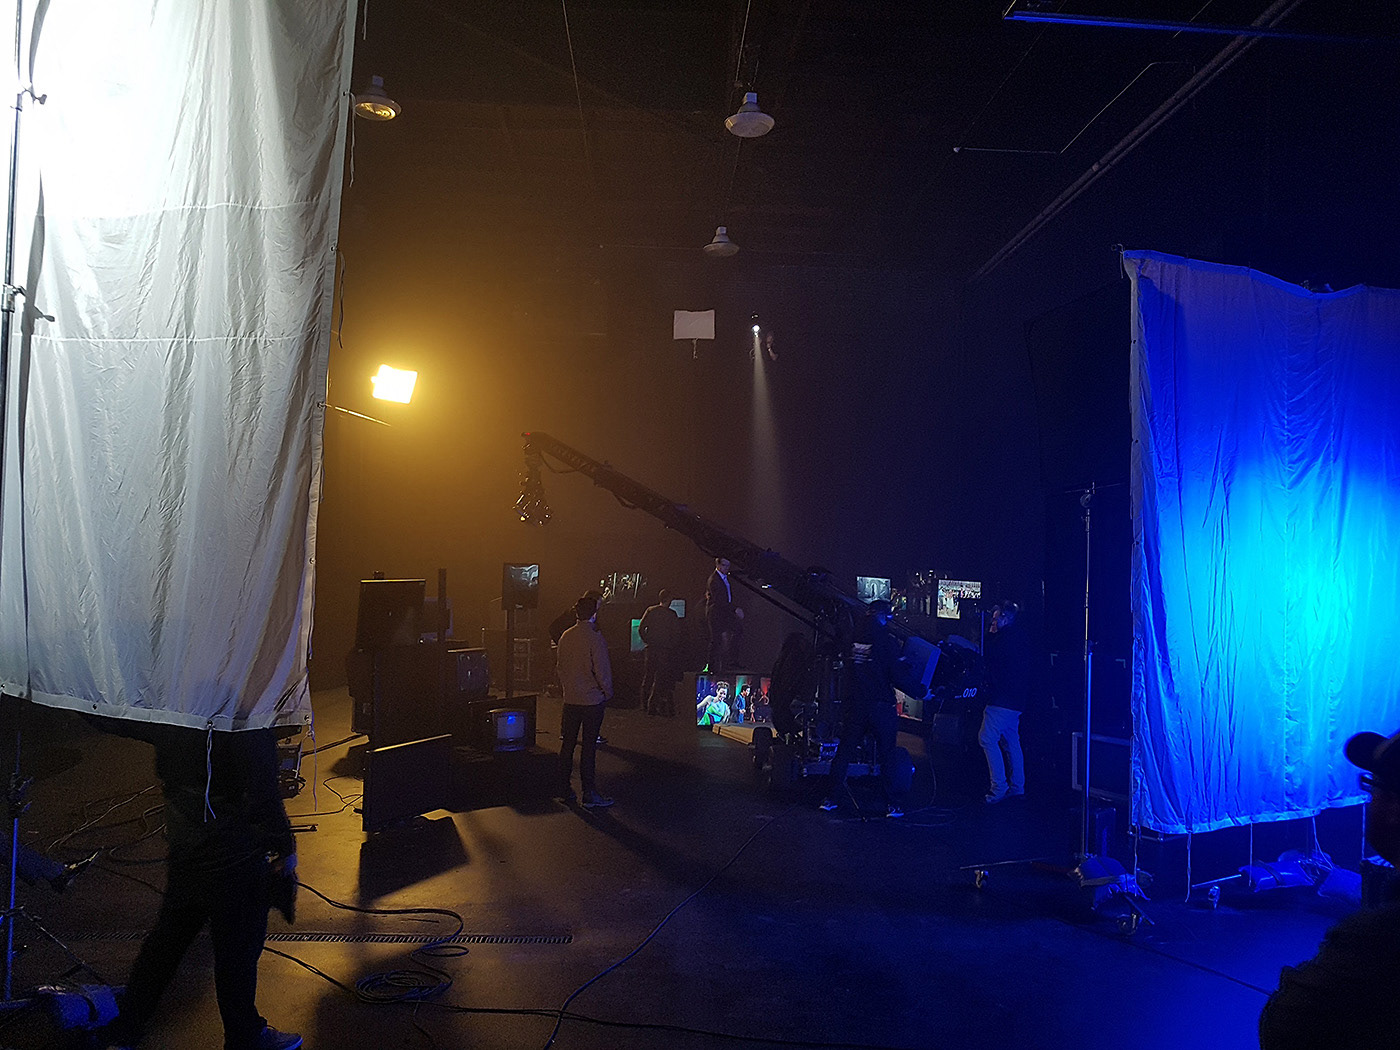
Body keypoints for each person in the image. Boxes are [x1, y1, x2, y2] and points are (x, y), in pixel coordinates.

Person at [101, 724, 300, 1050]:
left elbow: (127, 720)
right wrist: (284, 845)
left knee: (165, 945)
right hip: (236, 853)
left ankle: (125, 1030)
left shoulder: (179, 711)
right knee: (237, 953)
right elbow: (263, 790)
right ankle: (245, 1036)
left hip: (187, 844)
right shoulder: (244, 717)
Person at [1258, 728, 1400, 1048]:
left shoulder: (1378, 939)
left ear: (1394, 806)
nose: (1371, 800)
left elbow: (1288, 1025)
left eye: (1374, 787)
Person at [820, 599, 905, 819]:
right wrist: (922, 690)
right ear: (883, 616)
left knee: (845, 751)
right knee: (887, 755)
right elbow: (897, 674)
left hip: (855, 704)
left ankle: (830, 799)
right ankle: (892, 805)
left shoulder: (852, 638)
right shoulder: (886, 641)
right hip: (880, 705)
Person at [555, 595, 614, 808]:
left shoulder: (566, 635)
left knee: (567, 745)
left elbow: (560, 667)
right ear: (594, 613)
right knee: (589, 748)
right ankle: (589, 793)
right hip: (591, 701)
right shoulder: (595, 638)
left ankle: (564, 789)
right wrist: (607, 692)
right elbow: (602, 670)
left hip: (570, 699)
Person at [979, 599, 1028, 804]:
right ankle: (1017, 786)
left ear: (1005, 619)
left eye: (996, 618)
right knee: (1011, 741)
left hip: (1001, 698)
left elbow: (988, 659)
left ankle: (998, 788)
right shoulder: (1020, 638)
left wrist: (990, 635)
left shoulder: (1001, 640)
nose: (993, 621)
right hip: (1016, 699)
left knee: (987, 738)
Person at [638, 589, 683, 717]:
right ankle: (652, 705)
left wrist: (648, 640)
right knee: (660, 678)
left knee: (648, 676)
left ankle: (644, 704)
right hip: (665, 651)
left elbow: (641, 628)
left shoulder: (650, 610)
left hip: (651, 649)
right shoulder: (672, 614)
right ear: (669, 599)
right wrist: (671, 645)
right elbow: (676, 634)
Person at [704, 557, 743, 674]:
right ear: (718, 565)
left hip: (724, 611)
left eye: (728, 566)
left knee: (737, 630)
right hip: (716, 613)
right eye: (725, 565)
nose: (727, 568)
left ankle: (731, 662)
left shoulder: (723, 578)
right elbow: (719, 600)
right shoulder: (714, 580)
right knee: (716, 640)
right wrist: (734, 609)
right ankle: (712, 665)